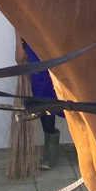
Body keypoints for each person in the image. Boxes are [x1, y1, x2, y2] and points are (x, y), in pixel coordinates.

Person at [15, 33, 64, 170]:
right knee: (43, 92)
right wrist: (19, 45)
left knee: (71, 89)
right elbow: (19, 16)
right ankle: (50, 149)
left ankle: (83, 144)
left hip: (65, 40)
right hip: (36, 42)